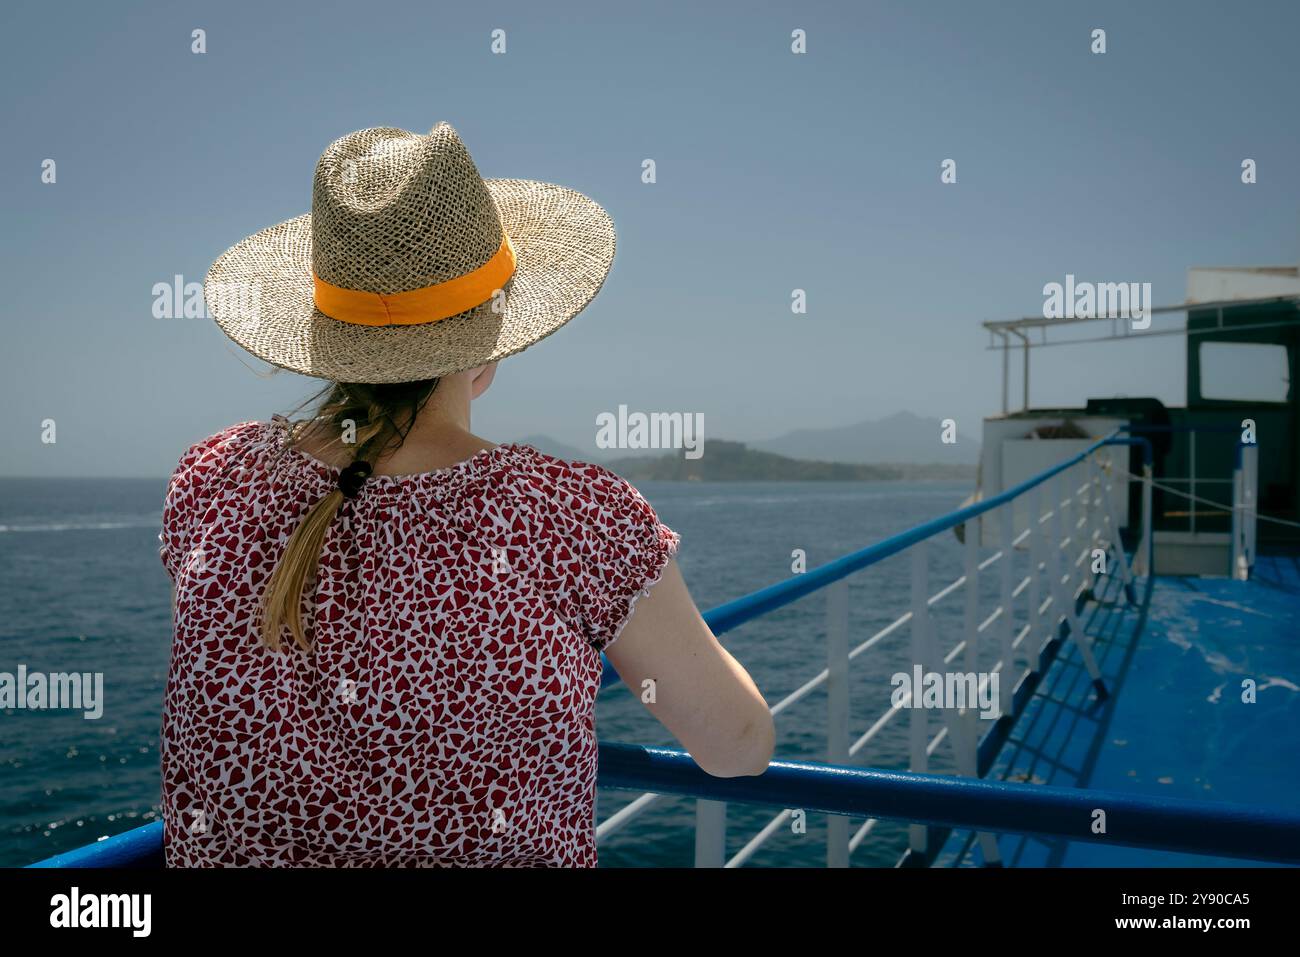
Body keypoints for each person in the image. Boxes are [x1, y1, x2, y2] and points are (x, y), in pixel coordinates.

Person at [159, 122, 773, 867]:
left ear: (325, 333)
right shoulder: (571, 517)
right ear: (492, 335)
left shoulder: (214, 480)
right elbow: (737, 745)